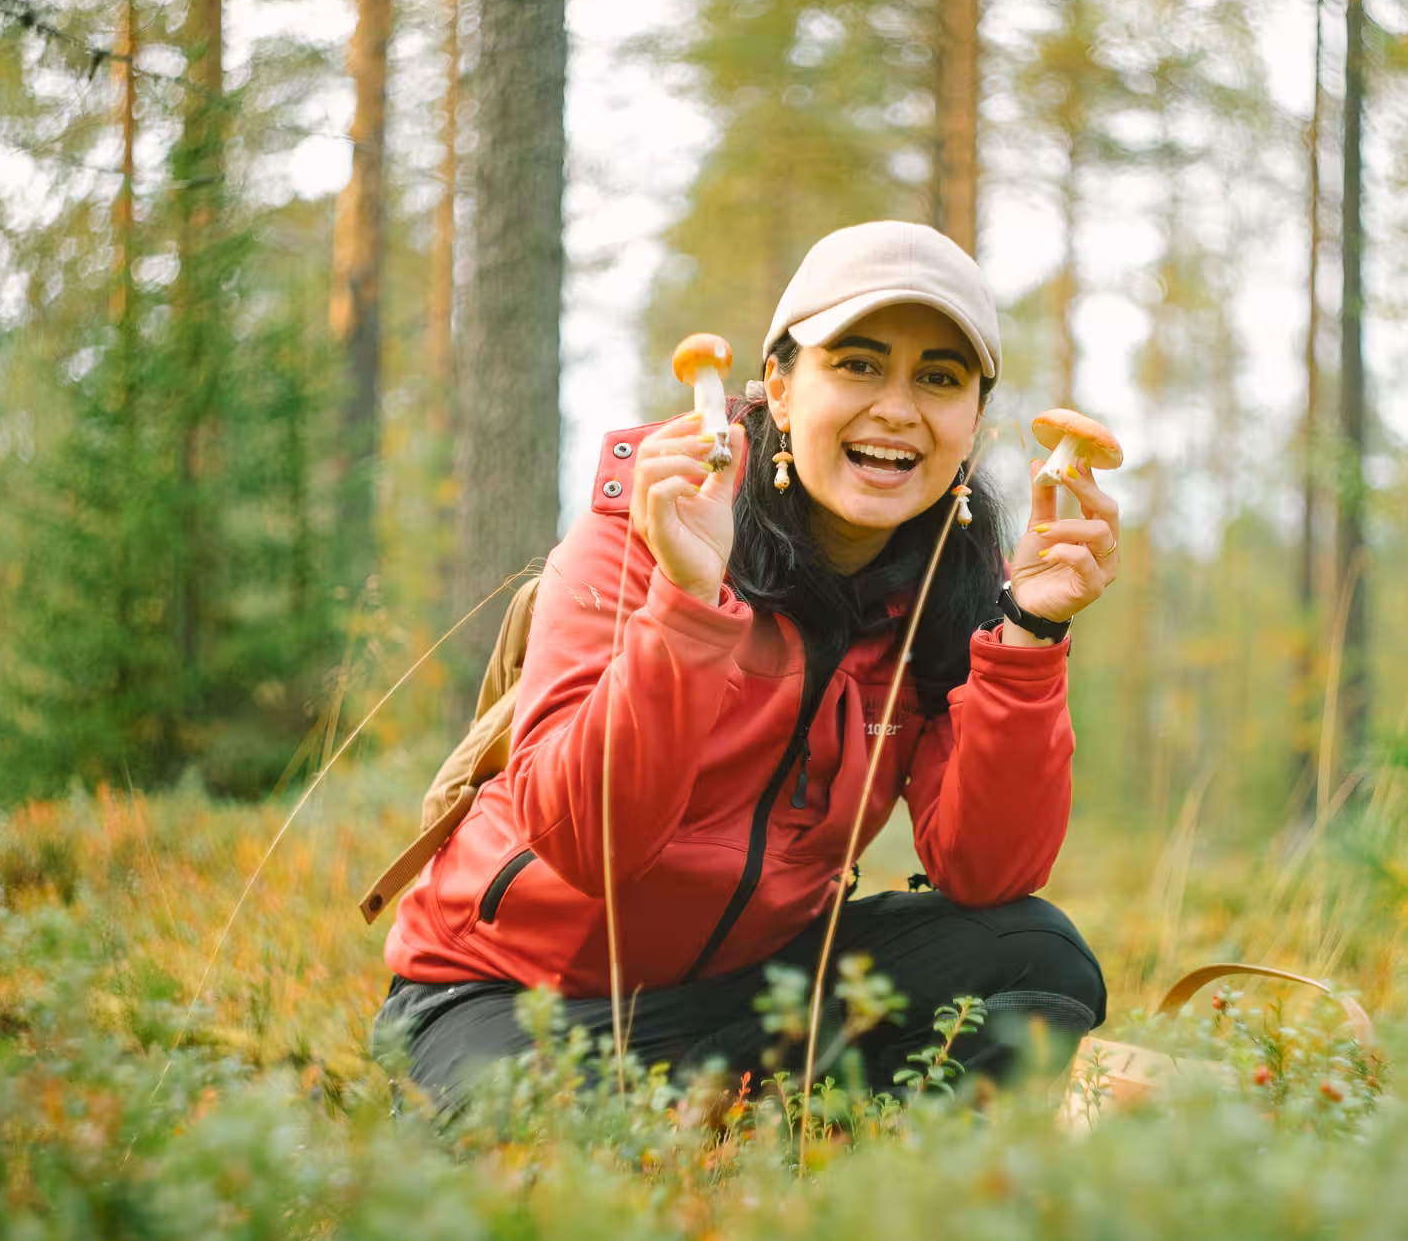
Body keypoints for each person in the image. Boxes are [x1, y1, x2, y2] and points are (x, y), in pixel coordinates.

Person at [375, 220, 1122, 1113]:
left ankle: (850, 1174)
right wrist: (687, 605)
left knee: (1037, 957)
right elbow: (586, 842)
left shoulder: (955, 589)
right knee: (534, 1160)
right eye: (857, 363)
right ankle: (675, 1125)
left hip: (748, 994)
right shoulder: (646, 532)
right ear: (777, 383)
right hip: (513, 995)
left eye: (939, 378)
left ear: (973, 422)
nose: (897, 407)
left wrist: (1029, 635)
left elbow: (987, 872)